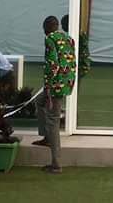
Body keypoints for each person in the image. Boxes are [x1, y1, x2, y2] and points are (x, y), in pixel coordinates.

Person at [32, 15, 76, 174]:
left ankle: (56, 164)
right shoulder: (69, 38)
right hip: (66, 82)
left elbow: (53, 64)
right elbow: (71, 62)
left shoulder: (50, 38)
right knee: (39, 101)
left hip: (55, 86)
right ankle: (46, 137)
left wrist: (48, 87)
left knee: (53, 121)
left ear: (46, 28)